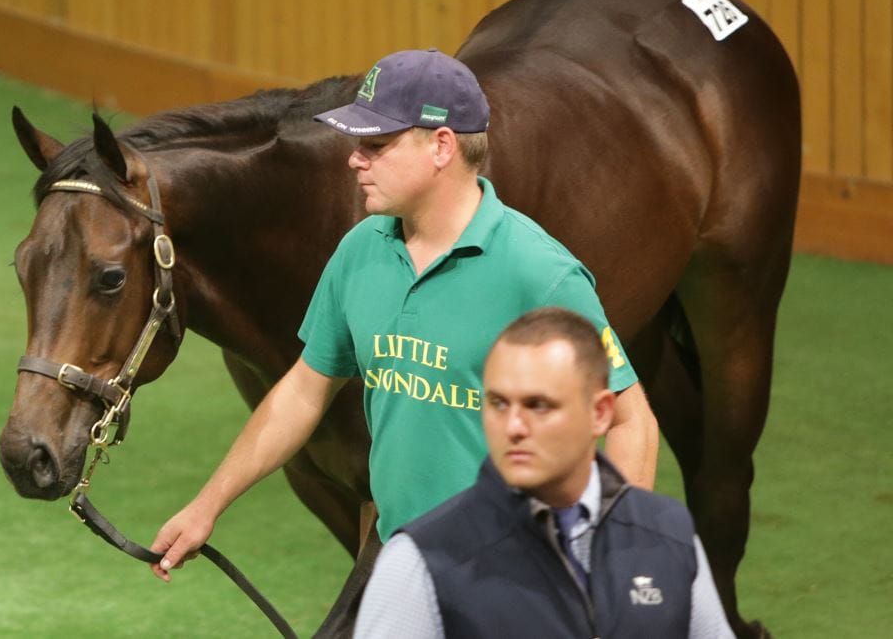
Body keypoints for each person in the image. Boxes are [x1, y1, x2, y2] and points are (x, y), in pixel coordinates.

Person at [149, 48, 658, 580]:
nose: (354, 160)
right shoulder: (361, 250)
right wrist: (206, 506)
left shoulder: (539, 275)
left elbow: (631, 421)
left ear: (442, 146)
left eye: (376, 145)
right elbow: (304, 389)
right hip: (402, 560)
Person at [354, 307, 733, 638]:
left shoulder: (670, 537)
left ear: (600, 413)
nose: (513, 426)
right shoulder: (420, 562)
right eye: (499, 403)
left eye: (538, 405)